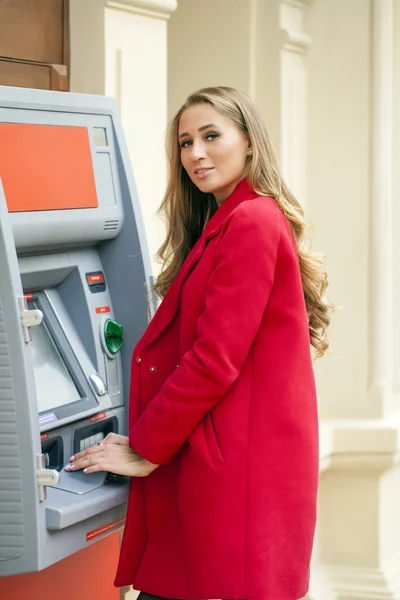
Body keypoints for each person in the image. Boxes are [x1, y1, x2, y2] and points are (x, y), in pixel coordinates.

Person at [66, 86, 332, 600]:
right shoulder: (228, 221)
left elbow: (214, 360)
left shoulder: (251, 221)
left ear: (250, 142)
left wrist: (145, 447)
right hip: (221, 466)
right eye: (185, 142)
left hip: (233, 478)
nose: (196, 154)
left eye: (212, 136)